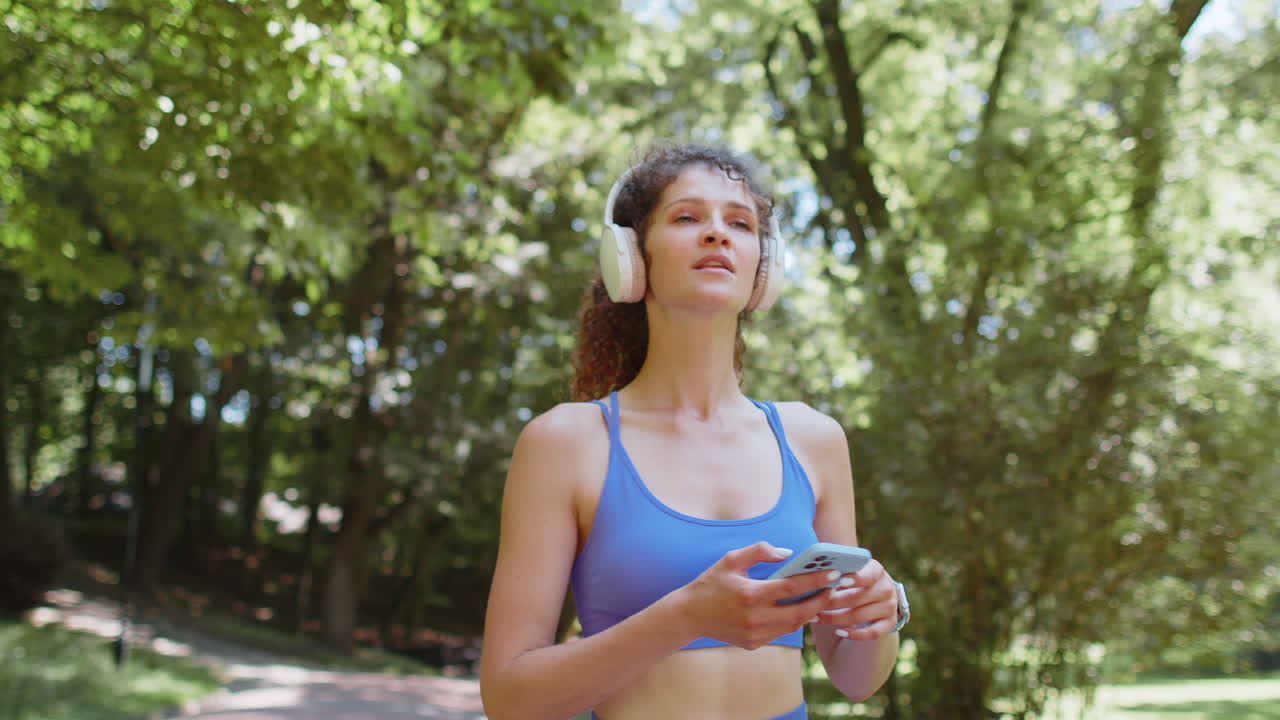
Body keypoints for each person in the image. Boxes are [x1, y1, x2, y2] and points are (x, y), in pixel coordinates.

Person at [479, 143, 908, 720]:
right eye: (686, 217)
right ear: (632, 257)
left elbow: (855, 678)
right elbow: (509, 699)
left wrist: (877, 617)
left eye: (740, 223)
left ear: (764, 269)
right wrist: (686, 617)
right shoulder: (566, 442)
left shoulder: (815, 439)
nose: (716, 233)